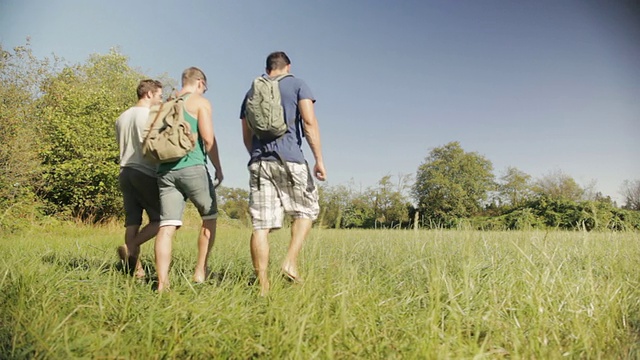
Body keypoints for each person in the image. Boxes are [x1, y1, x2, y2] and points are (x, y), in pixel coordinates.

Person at [240, 51, 327, 296]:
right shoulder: (298, 84)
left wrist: (255, 155)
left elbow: (246, 133)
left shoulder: (252, 91)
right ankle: (289, 262)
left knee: (261, 226)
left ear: (268, 68)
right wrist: (319, 160)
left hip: (259, 163)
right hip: (290, 159)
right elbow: (309, 123)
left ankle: (263, 288)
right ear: (288, 66)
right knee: (307, 210)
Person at [154, 67, 223, 292]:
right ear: (200, 82)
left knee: (166, 226)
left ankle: (162, 283)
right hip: (192, 166)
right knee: (209, 217)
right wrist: (218, 169)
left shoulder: (166, 104)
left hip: (165, 170)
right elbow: (208, 139)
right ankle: (200, 271)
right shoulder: (200, 102)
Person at [115, 79, 164, 278]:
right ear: (149, 94)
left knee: (132, 222)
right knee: (162, 220)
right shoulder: (148, 115)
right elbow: (153, 145)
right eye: (159, 96)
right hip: (144, 172)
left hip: (125, 172)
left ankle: (137, 271)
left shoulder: (122, 117)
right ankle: (130, 246)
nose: (160, 101)